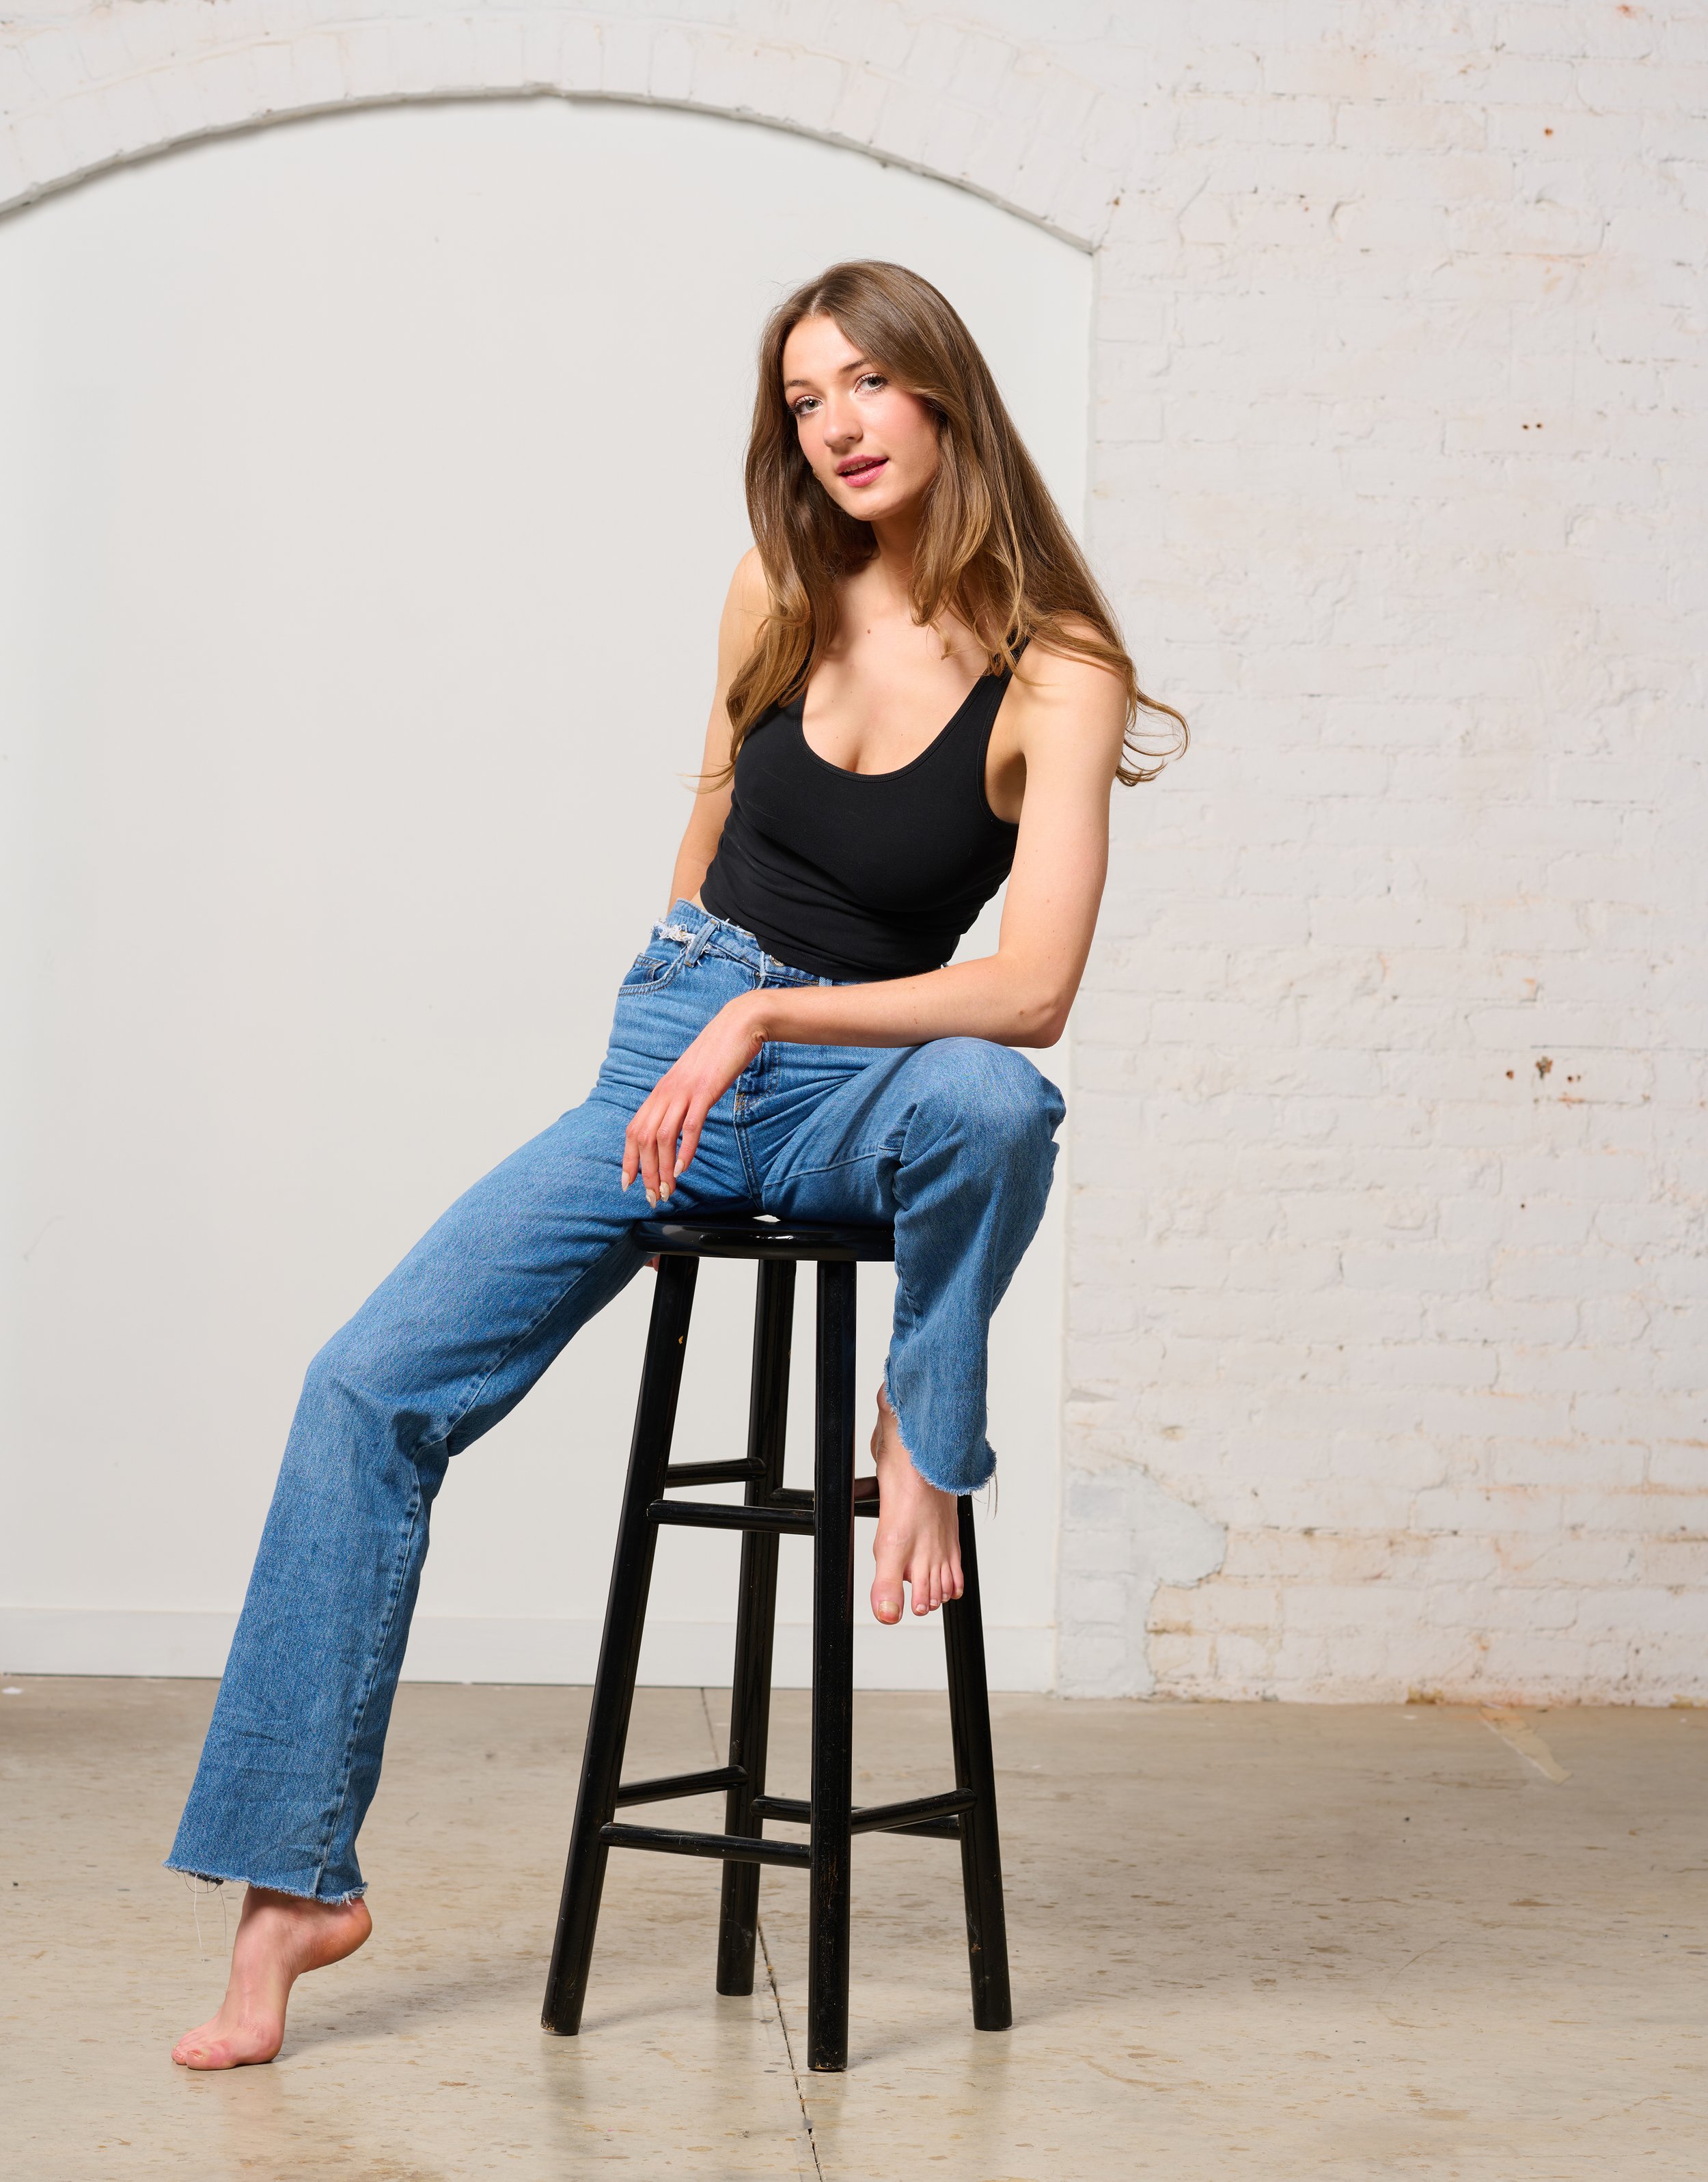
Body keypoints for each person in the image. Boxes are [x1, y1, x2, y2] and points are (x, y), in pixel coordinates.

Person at [165, 259, 1186, 2069]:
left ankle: (921, 1431)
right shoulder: (773, 590)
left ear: (946, 396)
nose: (839, 424)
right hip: (678, 1055)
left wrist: (779, 1025)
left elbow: (1029, 991)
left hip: (843, 1074)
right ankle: (288, 1891)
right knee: (361, 1388)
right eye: (805, 398)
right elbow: (710, 825)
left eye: (868, 383)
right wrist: (693, 1004)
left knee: (995, 1107)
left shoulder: (1062, 671)